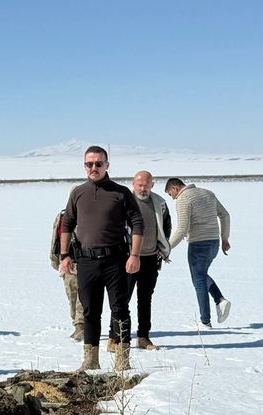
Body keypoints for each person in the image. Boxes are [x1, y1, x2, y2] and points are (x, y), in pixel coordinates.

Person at [59, 146, 143, 371]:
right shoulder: (78, 192)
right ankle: (90, 360)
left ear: (107, 165)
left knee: (120, 309)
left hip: (116, 260)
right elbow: (67, 223)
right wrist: (65, 255)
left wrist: (134, 255)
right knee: (89, 311)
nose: (94, 168)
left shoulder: (121, 192)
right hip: (86, 261)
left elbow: (137, 223)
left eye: (98, 163)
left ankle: (122, 361)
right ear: (84, 166)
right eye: (89, 164)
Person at [165, 178, 231, 327]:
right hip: (214, 243)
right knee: (201, 275)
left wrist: (166, 248)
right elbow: (225, 215)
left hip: (198, 245)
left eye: (171, 194)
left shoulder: (183, 198)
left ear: (175, 188)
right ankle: (220, 300)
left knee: (198, 280)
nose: (173, 197)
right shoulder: (208, 193)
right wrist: (225, 239)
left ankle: (205, 320)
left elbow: (182, 229)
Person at [127, 171, 172, 350]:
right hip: (128, 259)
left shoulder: (159, 203)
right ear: (133, 184)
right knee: (122, 300)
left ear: (152, 185)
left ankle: (143, 337)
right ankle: (116, 338)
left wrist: (161, 248)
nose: (143, 188)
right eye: (139, 184)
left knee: (145, 299)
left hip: (150, 258)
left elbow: (166, 226)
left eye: (146, 184)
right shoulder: (125, 201)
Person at [49, 209, 84, 341]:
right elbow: (55, 238)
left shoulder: (90, 215)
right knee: (72, 295)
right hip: (67, 262)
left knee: (83, 294)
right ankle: (76, 323)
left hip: (85, 262)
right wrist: (54, 258)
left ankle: (81, 325)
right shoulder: (63, 217)